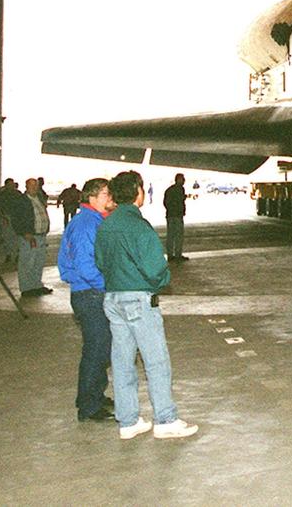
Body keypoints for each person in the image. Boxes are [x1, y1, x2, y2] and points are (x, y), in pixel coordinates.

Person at [95, 170, 197, 440]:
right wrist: (162, 279)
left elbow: (100, 262)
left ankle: (128, 421)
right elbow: (155, 268)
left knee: (122, 361)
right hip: (139, 299)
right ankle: (165, 419)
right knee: (156, 361)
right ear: (138, 192)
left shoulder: (105, 225)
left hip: (113, 298)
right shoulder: (139, 226)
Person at [58, 178, 117, 422]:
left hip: (91, 293)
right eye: (105, 194)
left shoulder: (93, 221)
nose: (110, 199)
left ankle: (93, 394)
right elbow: (85, 266)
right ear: (91, 197)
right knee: (96, 350)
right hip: (90, 295)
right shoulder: (85, 224)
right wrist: (111, 285)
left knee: (101, 348)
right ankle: (88, 406)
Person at [11, 177, 52, 296]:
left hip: (41, 235)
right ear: (26, 187)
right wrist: (24, 233)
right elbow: (15, 218)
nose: (35, 188)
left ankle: (36, 285)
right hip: (29, 236)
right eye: (32, 186)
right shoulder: (21, 200)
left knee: (38, 261)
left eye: (36, 186)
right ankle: (26, 288)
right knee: (27, 262)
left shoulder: (38, 198)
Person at [0, 178, 24, 265]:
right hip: (6, 218)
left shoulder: (18, 194)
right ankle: (9, 254)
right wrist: (2, 217)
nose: (12, 186)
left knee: (16, 237)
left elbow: (22, 206)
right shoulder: (1, 196)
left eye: (12, 184)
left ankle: (16, 254)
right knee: (7, 237)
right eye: (10, 184)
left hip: (16, 218)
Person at [163, 173, 189, 261]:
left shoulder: (169, 190)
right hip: (177, 215)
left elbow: (166, 202)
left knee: (170, 235)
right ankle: (178, 254)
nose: (184, 181)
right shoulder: (180, 189)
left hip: (170, 215)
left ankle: (170, 255)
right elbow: (178, 200)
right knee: (178, 235)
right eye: (183, 179)